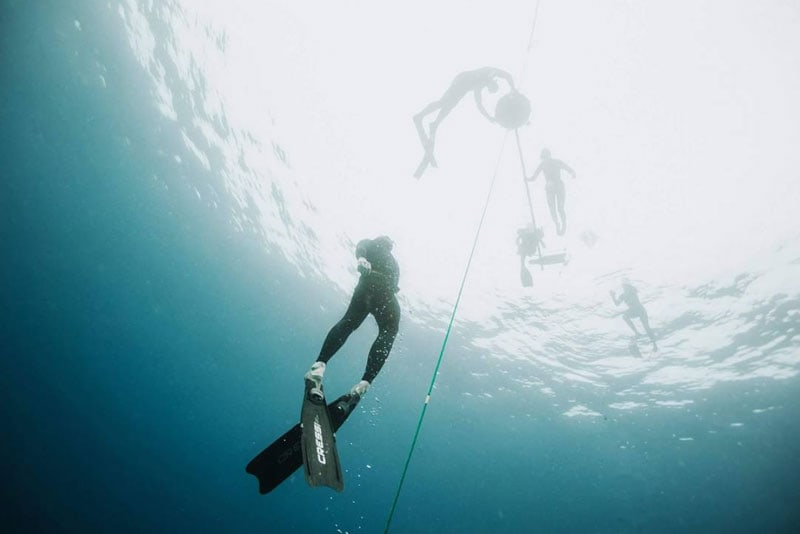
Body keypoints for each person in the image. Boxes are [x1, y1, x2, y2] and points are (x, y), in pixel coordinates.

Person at [305, 236, 401, 400]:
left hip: (367, 284)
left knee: (349, 322)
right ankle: (365, 382)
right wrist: (362, 258)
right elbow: (394, 285)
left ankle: (319, 366)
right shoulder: (389, 258)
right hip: (385, 293)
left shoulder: (373, 244)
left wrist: (362, 258)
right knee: (389, 329)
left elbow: (361, 247)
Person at [413, 67, 515, 178]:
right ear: (491, 83)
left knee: (449, 107)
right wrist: (488, 117)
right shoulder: (487, 75)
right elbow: (479, 103)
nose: (487, 88)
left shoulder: (483, 83)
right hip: (461, 81)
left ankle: (435, 123)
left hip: (464, 88)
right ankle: (420, 116)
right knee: (443, 102)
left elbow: (507, 76)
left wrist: (513, 88)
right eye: (489, 88)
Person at [527, 148, 576, 235]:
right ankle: (558, 224)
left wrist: (572, 172)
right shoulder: (545, 164)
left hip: (556, 187)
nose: (546, 159)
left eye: (546, 157)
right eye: (544, 158)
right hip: (552, 188)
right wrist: (528, 179)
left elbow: (567, 168)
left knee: (559, 208)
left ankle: (562, 224)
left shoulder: (552, 162)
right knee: (554, 209)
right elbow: (534, 177)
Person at [610, 281, 658, 351]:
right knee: (625, 316)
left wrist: (630, 286)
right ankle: (637, 333)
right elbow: (617, 304)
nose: (624, 287)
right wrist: (613, 296)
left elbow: (636, 290)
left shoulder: (632, 290)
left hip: (640, 310)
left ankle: (654, 344)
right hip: (633, 310)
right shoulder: (623, 295)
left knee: (646, 327)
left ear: (628, 286)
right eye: (623, 286)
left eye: (625, 286)